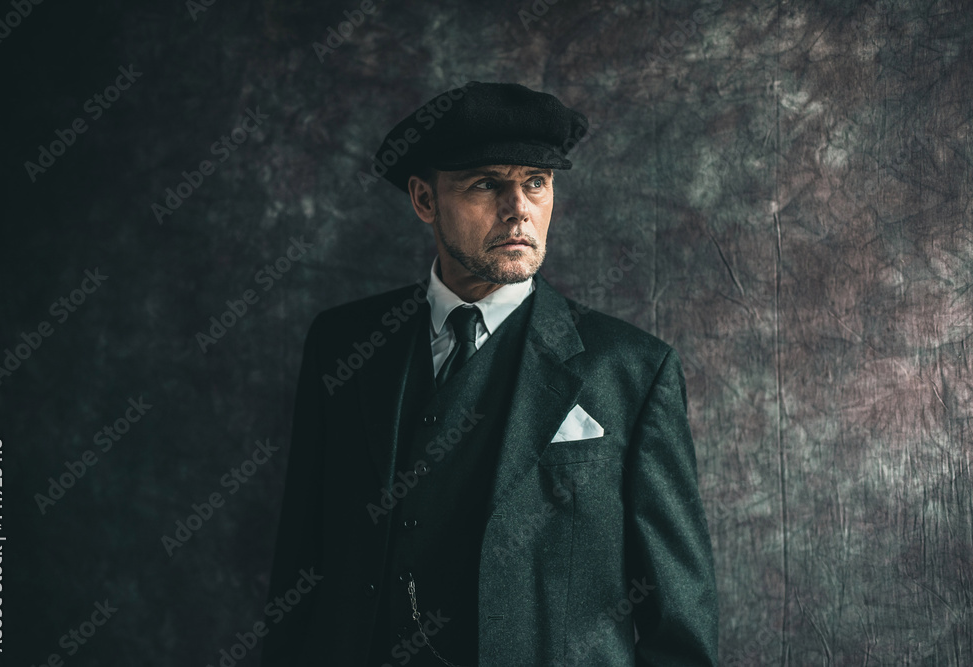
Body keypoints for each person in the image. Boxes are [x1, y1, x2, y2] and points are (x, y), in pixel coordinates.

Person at [261, 81, 718, 666]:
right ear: (425, 200)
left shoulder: (632, 369)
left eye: (536, 182)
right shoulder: (343, 345)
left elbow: (679, 622)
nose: (518, 208)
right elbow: (302, 565)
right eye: (486, 184)